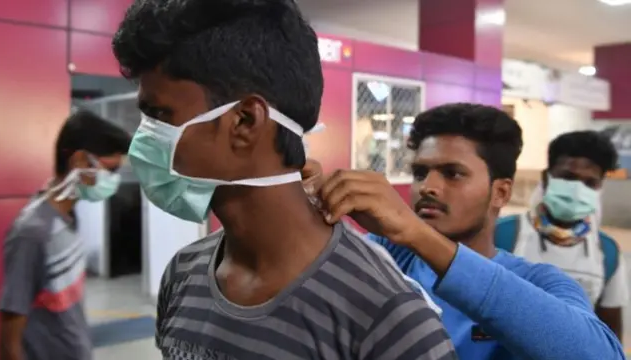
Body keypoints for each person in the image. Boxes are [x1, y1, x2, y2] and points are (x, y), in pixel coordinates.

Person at [112, 0, 457, 359]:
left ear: (245, 122)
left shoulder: (386, 315)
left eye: (159, 115)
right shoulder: (184, 272)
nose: (144, 138)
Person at [302, 103, 625, 360]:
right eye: (420, 172)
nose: (427, 187)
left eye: (453, 174)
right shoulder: (388, 259)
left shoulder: (540, 281)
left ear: (500, 193)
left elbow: (598, 354)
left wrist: (419, 235)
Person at [0, 110, 131, 360]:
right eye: (109, 171)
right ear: (80, 161)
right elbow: (9, 343)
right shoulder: (32, 232)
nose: (113, 181)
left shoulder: (68, 218)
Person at [496, 131, 629, 339]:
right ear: (546, 177)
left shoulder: (607, 252)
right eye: (568, 178)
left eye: (589, 183)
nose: (577, 190)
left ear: (600, 187)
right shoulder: (502, 235)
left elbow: (610, 334)